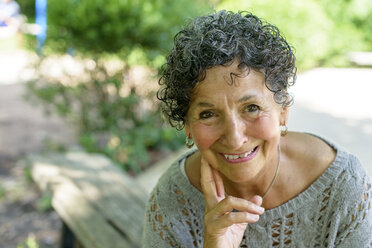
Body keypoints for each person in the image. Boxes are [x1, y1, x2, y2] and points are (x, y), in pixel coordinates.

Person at [142, 10, 372, 247]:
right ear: (188, 127)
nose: (234, 137)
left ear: (282, 109)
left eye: (251, 107)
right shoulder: (171, 200)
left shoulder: (342, 187)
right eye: (208, 114)